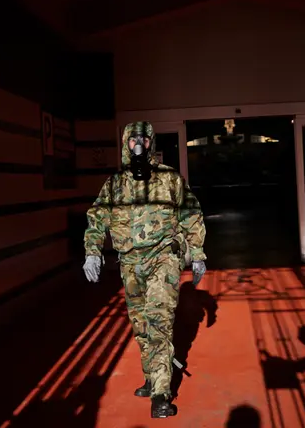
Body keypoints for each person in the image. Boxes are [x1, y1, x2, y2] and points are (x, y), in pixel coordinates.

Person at [82, 121, 207, 418]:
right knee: (140, 325)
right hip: (129, 264)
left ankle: (161, 394)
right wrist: (92, 251)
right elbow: (97, 216)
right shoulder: (115, 184)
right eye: (133, 140)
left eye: (144, 140)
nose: (139, 145)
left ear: (151, 143)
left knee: (159, 323)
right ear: (126, 143)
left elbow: (191, 213)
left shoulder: (169, 179)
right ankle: (151, 377)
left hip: (162, 259)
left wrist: (198, 253)